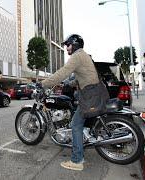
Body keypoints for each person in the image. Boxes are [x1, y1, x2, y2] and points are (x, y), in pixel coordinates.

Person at [39, 34, 100, 171]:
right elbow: (82, 76)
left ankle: (77, 160)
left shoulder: (77, 56)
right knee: (75, 121)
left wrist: (43, 84)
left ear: (75, 44)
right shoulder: (83, 55)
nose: (66, 47)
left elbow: (63, 72)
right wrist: (67, 84)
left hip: (89, 94)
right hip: (92, 92)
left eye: (68, 44)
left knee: (76, 125)